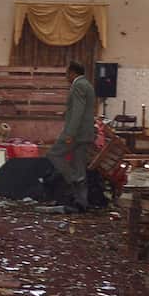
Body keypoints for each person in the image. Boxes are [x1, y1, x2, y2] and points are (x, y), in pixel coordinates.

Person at [47, 61, 96, 211]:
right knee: (80, 165)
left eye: (67, 73)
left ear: (73, 73)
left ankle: (74, 178)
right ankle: (82, 202)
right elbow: (81, 110)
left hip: (76, 133)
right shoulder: (88, 85)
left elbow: (78, 112)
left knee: (54, 154)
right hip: (86, 133)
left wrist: (70, 134)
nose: (66, 76)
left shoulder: (78, 85)